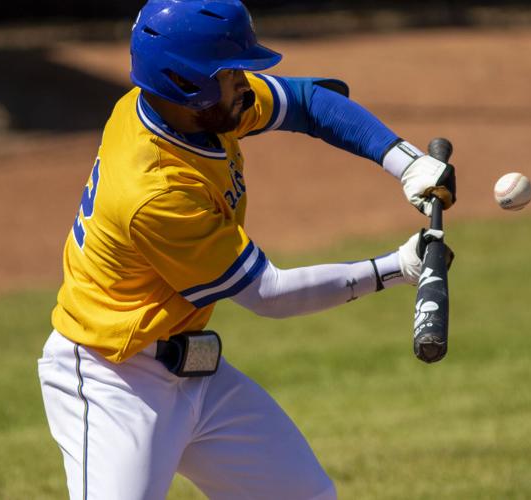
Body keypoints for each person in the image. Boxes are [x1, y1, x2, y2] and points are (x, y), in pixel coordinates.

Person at [38, 1, 456, 499]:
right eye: (231, 72)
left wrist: (404, 161)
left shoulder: (192, 111)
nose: (244, 82)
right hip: (113, 381)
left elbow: (308, 102)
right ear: (186, 82)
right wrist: (396, 267)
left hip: (194, 374)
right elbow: (269, 294)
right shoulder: (154, 192)